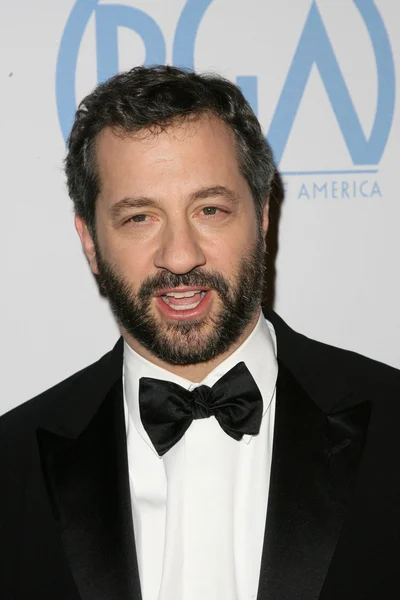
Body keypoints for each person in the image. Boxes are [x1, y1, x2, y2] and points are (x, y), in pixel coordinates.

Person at [0, 65, 399, 600]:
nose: (181, 255)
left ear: (261, 217)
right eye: (140, 217)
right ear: (90, 241)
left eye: (209, 209)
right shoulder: (11, 466)